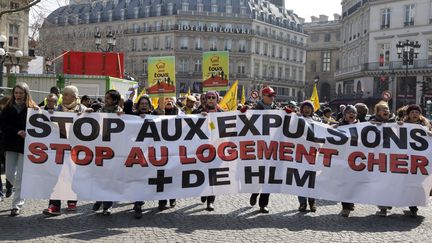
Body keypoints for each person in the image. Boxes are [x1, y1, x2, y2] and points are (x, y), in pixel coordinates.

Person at [43, 85, 92, 216]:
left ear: (75, 97)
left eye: (66, 94)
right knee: (57, 175)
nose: (63, 97)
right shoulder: (58, 109)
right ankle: (54, 205)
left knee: (73, 175)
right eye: (63, 94)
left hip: (78, 149)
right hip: (61, 148)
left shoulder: (84, 109)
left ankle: (72, 200)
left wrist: (91, 115)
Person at [0, 82, 38, 216]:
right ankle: (23, 189)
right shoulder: (8, 108)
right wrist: (17, 131)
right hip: (10, 144)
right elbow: (3, 125)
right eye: (16, 93)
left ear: (26, 94)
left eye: (21, 93)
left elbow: (42, 122)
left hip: (26, 145)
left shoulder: (33, 108)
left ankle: (17, 204)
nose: (18, 95)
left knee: (21, 176)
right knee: (9, 174)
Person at [92, 90, 123, 215]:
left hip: (114, 150)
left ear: (115, 100)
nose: (106, 100)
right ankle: (99, 199)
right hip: (101, 148)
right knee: (100, 177)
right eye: (105, 98)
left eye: (108, 99)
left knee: (110, 178)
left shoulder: (118, 111)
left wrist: (122, 116)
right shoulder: (101, 110)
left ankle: (107, 205)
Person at [248, 87, 277, 214]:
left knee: (269, 177)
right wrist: (243, 114)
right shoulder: (256, 110)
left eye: (273, 95)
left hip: (273, 149)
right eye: (270, 95)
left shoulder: (277, 110)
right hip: (258, 148)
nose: (272, 98)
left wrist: (290, 114)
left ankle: (263, 204)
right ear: (263, 96)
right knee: (258, 175)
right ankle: (254, 192)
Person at [399, 104, 431, 217]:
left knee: (418, 182)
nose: (415, 114)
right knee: (407, 182)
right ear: (408, 114)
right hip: (406, 158)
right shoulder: (402, 124)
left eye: (417, 112)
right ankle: (411, 205)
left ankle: (414, 204)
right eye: (412, 112)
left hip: (420, 159)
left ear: (420, 114)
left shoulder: (426, 125)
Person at [369, 101, 396, 217]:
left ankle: (388, 202)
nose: (386, 111)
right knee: (380, 182)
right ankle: (383, 207)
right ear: (377, 112)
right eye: (383, 109)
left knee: (391, 183)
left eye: (387, 109)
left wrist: (400, 126)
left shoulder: (396, 122)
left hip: (393, 158)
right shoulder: (371, 122)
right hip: (377, 158)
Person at [152, 97, 179, 210]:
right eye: (165, 99)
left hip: (174, 149)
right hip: (160, 149)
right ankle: (162, 201)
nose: (168, 101)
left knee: (173, 174)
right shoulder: (154, 113)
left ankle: (172, 197)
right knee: (161, 175)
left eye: (170, 100)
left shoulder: (178, 112)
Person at [200, 91, 224, 211]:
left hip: (216, 150)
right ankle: (203, 193)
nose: (210, 99)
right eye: (208, 97)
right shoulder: (198, 112)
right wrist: (200, 117)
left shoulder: (222, 113)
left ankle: (211, 201)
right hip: (201, 150)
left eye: (213, 97)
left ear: (217, 99)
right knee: (203, 174)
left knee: (213, 176)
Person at [130, 95, 153, 219]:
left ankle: (140, 200)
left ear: (149, 106)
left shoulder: (156, 116)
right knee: (138, 179)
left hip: (151, 155)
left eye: (146, 103)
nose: (144, 105)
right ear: (138, 105)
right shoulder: (131, 117)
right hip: (136, 155)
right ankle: (138, 204)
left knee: (146, 180)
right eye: (142, 103)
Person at [334, 105, 358, 217]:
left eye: (353, 112)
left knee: (353, 183)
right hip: (342, 159)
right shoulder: (339, 126)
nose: (351, 114)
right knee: (344, 183)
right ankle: (345, 207)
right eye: (349, 112)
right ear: (345, 115)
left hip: (357, 160)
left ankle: (351, 201)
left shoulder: (363, 126)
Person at [297, 100, 321, 213]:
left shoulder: (318, 120)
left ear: (312, 109)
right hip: (300, 153)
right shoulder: (296, 120)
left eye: (309, 107)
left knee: (312, 180)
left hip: (313, 154)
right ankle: (302, 203)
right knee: (300, 179)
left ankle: (312, 202)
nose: (306, 109)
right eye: (304, 107)